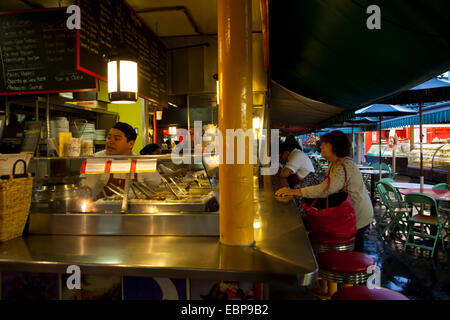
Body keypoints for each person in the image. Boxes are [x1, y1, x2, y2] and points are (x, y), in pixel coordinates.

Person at [275, 130, 374, 252]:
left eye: (325, 143)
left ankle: (358, 269)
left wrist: (293, 192)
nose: (321, 146)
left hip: (358, 213)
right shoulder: (334, 164)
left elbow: (325, 189)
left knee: (355, 250)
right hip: (349, 211)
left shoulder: (344, 165)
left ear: (336, 146)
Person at [83, 122, 162, 199]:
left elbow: (158, 187)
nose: (110, 142)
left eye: (117, 139)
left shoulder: (141, 163)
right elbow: (85, 190)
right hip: (101, 210)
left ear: (130, 144)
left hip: (134, 210)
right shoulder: (95, 160)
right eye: (109, 137)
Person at [278, 135, 324, 213]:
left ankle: (301, 218)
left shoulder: (296, 155)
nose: (280, 159)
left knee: (295, 198)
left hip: (310, 182)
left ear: (286, 152)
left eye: (280, 156)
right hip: (306, 181)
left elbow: (284, 174)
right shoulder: (294, 154)